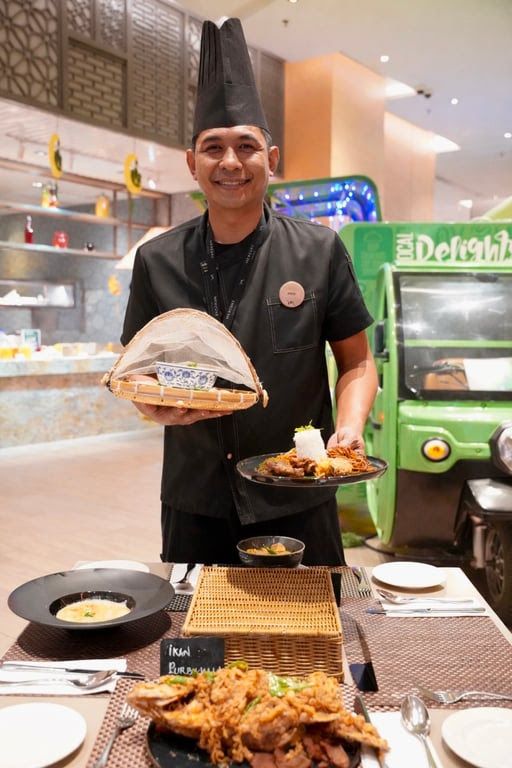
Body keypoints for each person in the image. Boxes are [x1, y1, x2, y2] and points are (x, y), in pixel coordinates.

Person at [121, 18, 378, 566]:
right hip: (196, 499)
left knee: (310, 622)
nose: (231, 162)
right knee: (198, 622)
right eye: (213, 147)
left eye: (247, 146)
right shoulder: (156, 260)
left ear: (272, 159)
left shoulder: (319, 250)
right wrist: (151, 404)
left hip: (298, 492)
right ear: (192, 163)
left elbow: (357, 361)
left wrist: (349, 428)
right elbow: (136, 370)